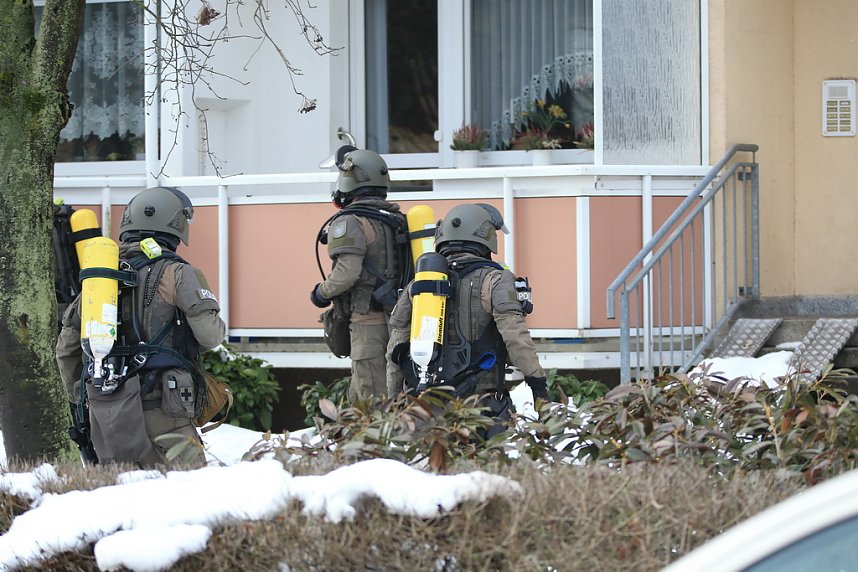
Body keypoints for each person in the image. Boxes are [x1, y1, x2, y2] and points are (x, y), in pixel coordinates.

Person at [56, 186, 226, 468]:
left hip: (108, 410)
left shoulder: (100, 277)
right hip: (166, 408)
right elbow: (211, 335)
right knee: (191, 495)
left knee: (121, 497)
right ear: (175, 225)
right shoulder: (178, 272)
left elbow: (67, 349)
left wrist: (83, 394)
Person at [385, 203, 548, 434]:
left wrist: (394, 400)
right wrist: (538, 385)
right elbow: (516, 338)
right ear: (486, 237)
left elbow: (395, 350)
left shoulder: (419, 285)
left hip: (423, 405)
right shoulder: (496, 280)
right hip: (479, 409)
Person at [311, 147, 409, 403]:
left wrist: (320, 293)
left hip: (368, 323)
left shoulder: (351, 221)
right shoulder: (396, 218)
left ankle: (374, 443)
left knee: (372, 399)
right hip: (399, 319)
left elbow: (347, 273)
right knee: (373, 394)